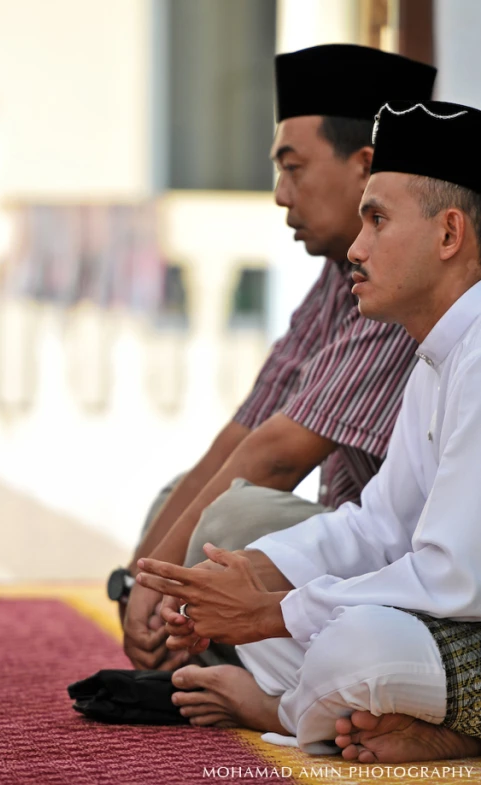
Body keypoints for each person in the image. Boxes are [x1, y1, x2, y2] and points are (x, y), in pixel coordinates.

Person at [137, 99, 481, 764]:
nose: (355, 248)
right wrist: (246, 582)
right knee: (303, 611)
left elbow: (455, 576)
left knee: (360, 644)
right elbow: (376, 526)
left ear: (447, 234)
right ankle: (380, 714)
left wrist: (271, 611)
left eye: (376, 220)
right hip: (454, 621)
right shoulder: (438, 354)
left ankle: (285, 708)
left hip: (463, 611)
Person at [117, 45, 436, 672]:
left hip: (408, 572)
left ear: (365, 168)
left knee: (234, 515)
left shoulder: (416, 290)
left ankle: (241, 676)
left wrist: (161, 585)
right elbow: (247, 431)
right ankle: (218, 661)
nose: (279, 195)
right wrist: (140, 578)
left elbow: (279, 456)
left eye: (293, 169)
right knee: (181, 503)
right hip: (364, 540)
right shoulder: (339, 277)